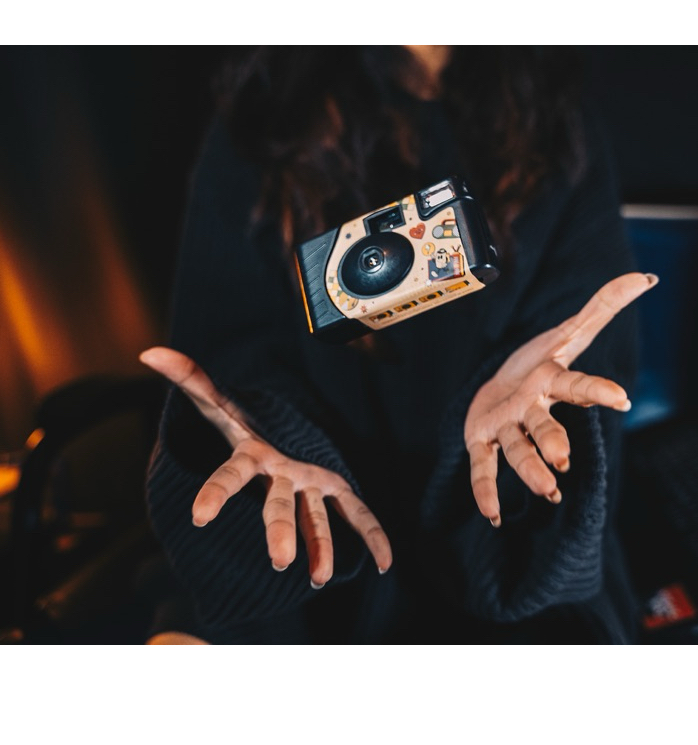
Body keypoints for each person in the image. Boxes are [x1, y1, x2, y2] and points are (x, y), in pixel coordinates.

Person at [141, 46, 656, 644]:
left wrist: (534, 400)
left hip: (504, 535)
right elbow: (233, 356)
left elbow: (586, 353)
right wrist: (271, 432)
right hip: (317, 522)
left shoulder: (559, 124)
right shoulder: (266, 117)